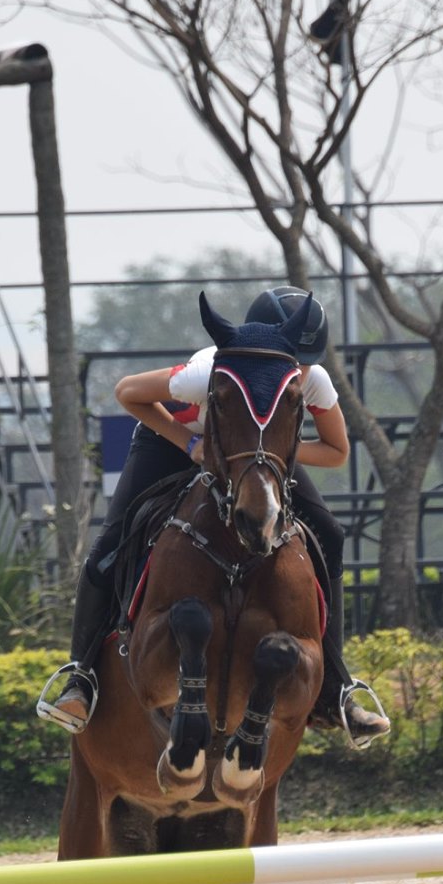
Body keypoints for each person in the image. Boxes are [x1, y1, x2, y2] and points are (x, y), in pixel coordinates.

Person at [37, 287, 392, 747]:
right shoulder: (205, 372)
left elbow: (337, 451)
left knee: (329, 532)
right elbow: (128, 393)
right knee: (110, 544)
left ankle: (337, 686)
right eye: (291, 357)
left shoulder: (310, 380)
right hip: (173, 442)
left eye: (305, 360)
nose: (298, 370)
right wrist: (193, 446)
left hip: (252, 454)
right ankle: (80, 675)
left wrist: (265, 452)